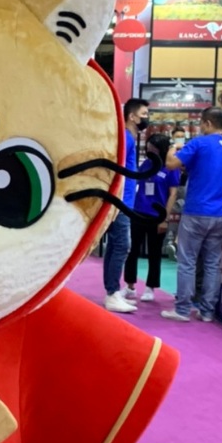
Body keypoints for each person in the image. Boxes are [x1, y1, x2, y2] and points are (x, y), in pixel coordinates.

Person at [161, 106, 222, 324]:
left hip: (196, 211)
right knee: (212, 263)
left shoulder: (198, 143)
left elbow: (171, 164)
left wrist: (173, 148)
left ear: (207, 123)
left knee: (187, 261)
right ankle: (207, 311)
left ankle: (182, 309)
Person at [103, 97, 149, 313]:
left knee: (116, 245)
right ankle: (112, 292)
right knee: (122, 245)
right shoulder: (126, 139)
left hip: (124, 199)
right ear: (132, 116)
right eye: (144, 114)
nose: (147, 118)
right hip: (120, 201)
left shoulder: (129, 138)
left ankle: (112, 291)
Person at [124, 133, 180, 302]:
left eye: (153, 149)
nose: (149, 151)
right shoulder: (146, 164)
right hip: (138, 211)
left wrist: (165, 218)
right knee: (132, 250)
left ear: (161, 149)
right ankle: (130, 286)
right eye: (148, 148)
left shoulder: (170, 167)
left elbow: (173, 194)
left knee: (154, 253)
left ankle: (150, 287)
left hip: (157, 215)